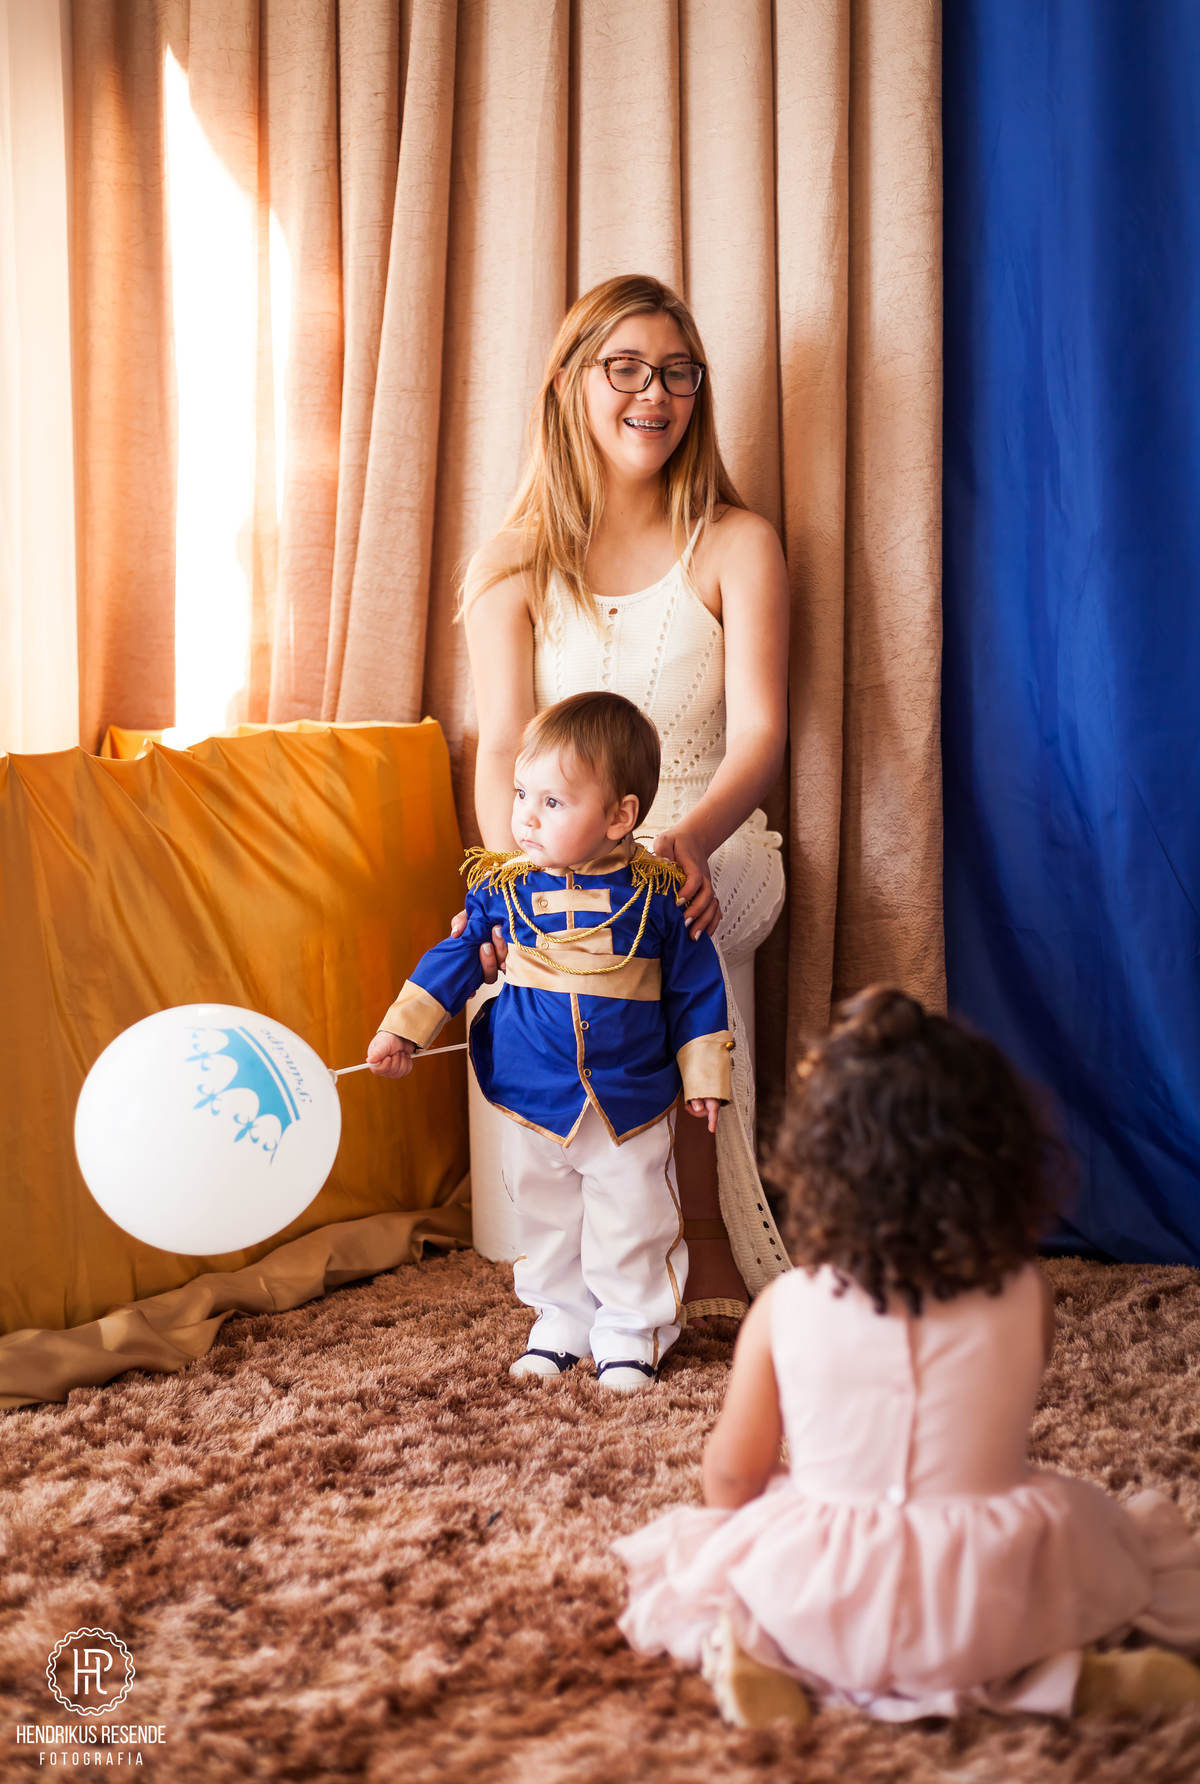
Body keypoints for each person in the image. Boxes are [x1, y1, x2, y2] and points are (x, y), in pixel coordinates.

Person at [613, 987, 1200, 1725]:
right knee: (1081, 1564)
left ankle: (765, 1656)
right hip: (988, 1590)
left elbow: (733, 1476)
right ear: (999, 1163)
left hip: (834, 1596)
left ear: (821, 1172)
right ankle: (1067, 1678)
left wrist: (777, 1505)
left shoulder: (787, 1307)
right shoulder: (1024, 1291)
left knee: (726, 1560)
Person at [458, 273, 791, 1322]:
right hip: (558, 849)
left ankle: (701, 1231)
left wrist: (684, 837)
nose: (657, 394)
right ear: (571, 385)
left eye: (679, 374)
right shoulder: (512, 566)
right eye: (628, 369)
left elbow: (765, 735)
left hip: (713, 835)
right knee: (589, 918)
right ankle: (595, 1251)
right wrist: (513, 883)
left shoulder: (737, 542)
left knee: (665, 910)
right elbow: (505, 742)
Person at [367, 692, 734, 1392]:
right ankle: (561, 1321)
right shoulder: (502, 891)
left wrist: (706, 1075)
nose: (526, 817)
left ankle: (632, 1329)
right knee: (545, 1212)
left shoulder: (657, 899)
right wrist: (402, 1029)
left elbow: (695, 987)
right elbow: (454, 958)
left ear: (620, 817)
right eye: (520, 794)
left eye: (554, 803)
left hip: (628, 1096)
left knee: (634, 1216)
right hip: (533, 1088)